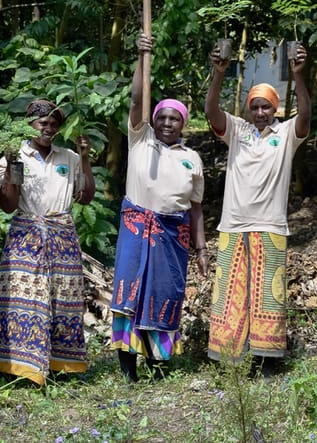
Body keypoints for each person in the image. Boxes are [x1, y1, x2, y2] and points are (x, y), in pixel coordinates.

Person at [204, 40, 310, 371]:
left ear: (275, 108)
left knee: (268, 296)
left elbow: (305, 114)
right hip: (233, 225)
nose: (261, 112)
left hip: (271, 225)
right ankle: (231, 360)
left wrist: (299, 75)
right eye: (255, 107)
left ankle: (266, 360)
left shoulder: (287, 133)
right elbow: (210, 112)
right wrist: (218, 73)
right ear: (249, 109)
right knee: (231, 296)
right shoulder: (237, 130)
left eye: (266, 107)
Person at [110, 34, 208, 382]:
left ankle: (158, 365)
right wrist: (141, 57)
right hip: (136, 230)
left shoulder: (192, 159)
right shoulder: (141, 139)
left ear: (183, 123)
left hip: (172, 235)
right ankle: (128, 369)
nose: (167, 123)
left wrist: (201, 248)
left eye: (175, 119)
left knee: (165, 293)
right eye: (162, 117)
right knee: (130, 294)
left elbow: (195, 208)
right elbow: (137, 100)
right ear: (155, 120)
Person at [0, 100, 95, 385]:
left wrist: (85, 158)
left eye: (52, 124)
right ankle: (18, 369)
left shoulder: (69, 157)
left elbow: (85, 197)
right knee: (23, 301)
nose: (47, 128)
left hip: (61, 234)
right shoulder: (17, 155)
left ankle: (62, 367)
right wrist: (13, 164)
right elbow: (8, 205)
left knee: (64, 299)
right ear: (30, 124)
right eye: (41, 123)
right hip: (26, 234)